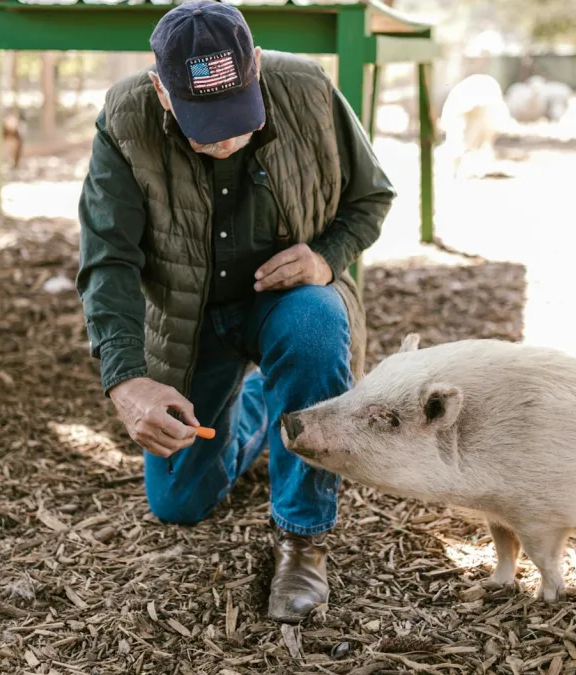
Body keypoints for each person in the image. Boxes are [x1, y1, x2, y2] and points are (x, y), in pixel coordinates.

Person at [75, 0, 396, 623]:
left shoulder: (305, 86)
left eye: (236, 116)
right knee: (179, 505)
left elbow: (371, 197)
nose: (224, 139)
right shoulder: (124, 118)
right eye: (204, 122)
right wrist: (127, 381)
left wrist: (326, 258)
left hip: (288, 302)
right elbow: (107, 260)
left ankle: (303, 538)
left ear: (252, 65)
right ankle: (259, 406)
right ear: (161, 90)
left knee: (314, 327)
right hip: (189, 323)